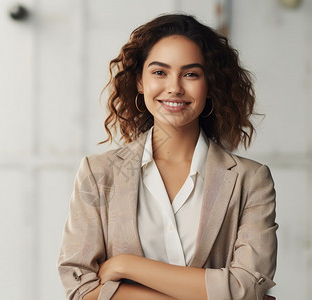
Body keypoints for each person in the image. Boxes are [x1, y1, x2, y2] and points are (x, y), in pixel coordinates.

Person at [58, 14, 278, 300]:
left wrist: (128, 266)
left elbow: (247, 288)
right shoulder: (99, 173)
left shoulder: (250, 180)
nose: (174, 87)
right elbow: (80, 288)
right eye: (160, 72)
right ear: (139, 81)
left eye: (190, 74)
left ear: (209, 84)